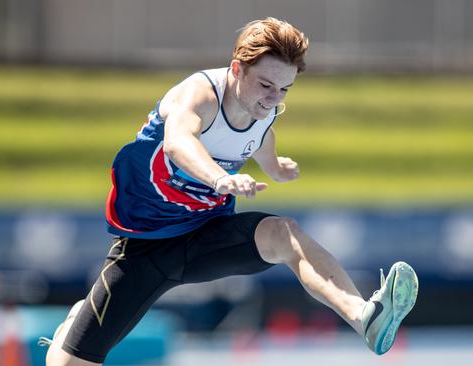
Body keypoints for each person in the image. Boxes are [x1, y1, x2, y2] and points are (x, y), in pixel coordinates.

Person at [45, 17, 418, 366]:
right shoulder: (199, 95)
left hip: (206, 236)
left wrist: (275, 167)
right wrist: (218, 178)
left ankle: (364, 317)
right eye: (266, 86)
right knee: (69, 363)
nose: (273, 99)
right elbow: (178, 143)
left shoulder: (265, 111)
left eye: (285, 89)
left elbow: (261, 139)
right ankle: (70, 331)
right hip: (146, 248)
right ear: (237, 69)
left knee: (283, 233)